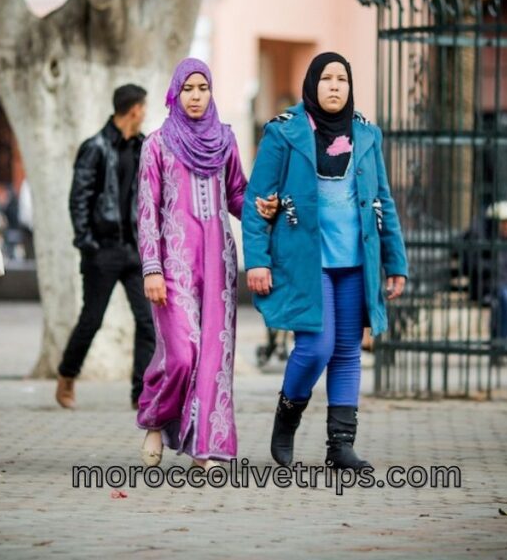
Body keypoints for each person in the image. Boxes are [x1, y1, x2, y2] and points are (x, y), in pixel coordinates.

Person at [243, 52, 408, 470]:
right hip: (305, 260)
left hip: (356, 261)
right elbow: (255, 199)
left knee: (348, 351)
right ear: (312, 83)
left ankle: (340, 447)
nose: (335, 86)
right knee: (317, 347)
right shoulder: (284, 133)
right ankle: (287, 419)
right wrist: (257, 261)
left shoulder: (368, 135)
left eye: (342, 79)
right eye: (327, 79)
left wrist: (396, 261)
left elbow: (382, 201)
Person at [135, 58, 277, 469]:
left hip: (217, 263)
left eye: (203, 89)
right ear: (175, 94)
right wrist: (152, 268)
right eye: (188, 89)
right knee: (181, 353)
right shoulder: (157, 145)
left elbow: (237, 195)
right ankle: (155, 419)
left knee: (213, 357)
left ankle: (206, 445)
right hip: (174, 264)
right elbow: (147, 212)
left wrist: (258, 206)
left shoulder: (225, 140)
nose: (196, 97)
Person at [55, 84, 155, 411]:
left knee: (148, 320)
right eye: (143, 108)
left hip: (136, 250)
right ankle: (67, 375)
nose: (144, 114)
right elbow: (79, 199)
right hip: (103, 250)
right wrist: (87, 244)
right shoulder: (95, 147)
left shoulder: (143, 146)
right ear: (135, 110)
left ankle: (140, 393)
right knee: (92, 319)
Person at [460, 201, 507, 355]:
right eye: (504, 223)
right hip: (494, 287)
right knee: (506, 298)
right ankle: (502, 345)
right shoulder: (484, 241)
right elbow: (475, 267)